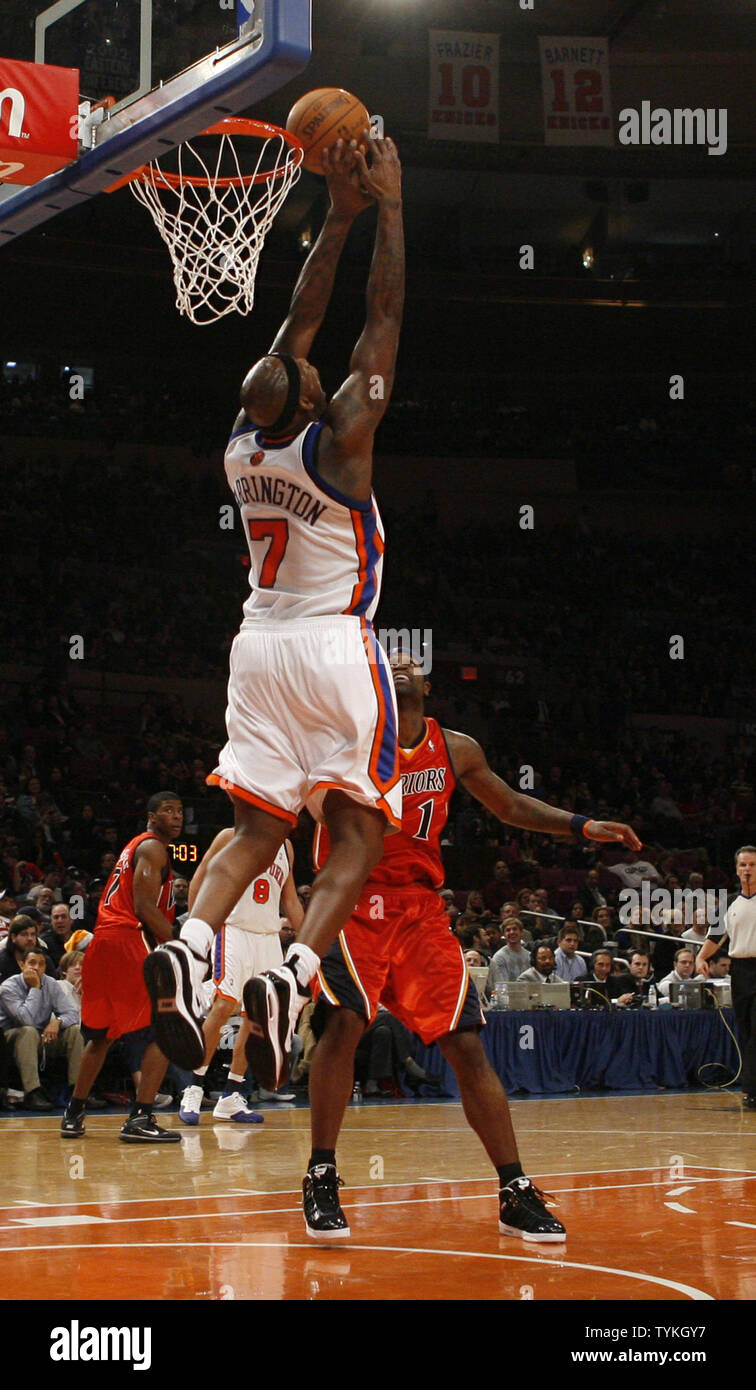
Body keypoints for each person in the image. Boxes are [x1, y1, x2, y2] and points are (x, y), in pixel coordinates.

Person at [144, 136, 406, 1093]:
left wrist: (337, 212)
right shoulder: (340, 450)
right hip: (332, 647)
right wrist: (393, 207)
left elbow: (299, 322)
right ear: (310, 397)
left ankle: (193, 943)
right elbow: (379, 317)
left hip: (254, 646)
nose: (310, 360)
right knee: (358, 835)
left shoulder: (242, 448)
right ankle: (295, 973)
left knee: (255, 831)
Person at [302, 649, 641, 1241]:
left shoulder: (457, 748)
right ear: (375, 679)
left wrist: (580, 824)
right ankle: (322, 1175)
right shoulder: (348, 736)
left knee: (466, 1045)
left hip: (420, 912)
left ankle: (513, 1190)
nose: (400, 664)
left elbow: (509, 806)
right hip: (352, 902)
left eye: (411, 661)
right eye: (388, 660)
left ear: (428, 686)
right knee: (344, 1027)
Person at [60, 792, 184, 1143]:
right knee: (166, 1027)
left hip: (103, 942)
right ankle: (141, 1117)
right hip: (130, 942)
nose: (175, 817)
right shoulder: (153, 847)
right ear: (150, 815)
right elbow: (145, 908)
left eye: (178, 811)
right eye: (167, 810)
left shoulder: (132, 848)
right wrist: (181, 944)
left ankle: (73, 1112)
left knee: (103, 1034)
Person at [177, 830, 303, 1125]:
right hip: (232, 929)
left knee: (257, 1018)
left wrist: (311, 942)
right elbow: (200, 879)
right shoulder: (229, 836)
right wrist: (198, 930)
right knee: (223, 1005)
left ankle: (232, 1095)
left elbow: (291, 900)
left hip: (268, 936)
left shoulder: (286, 846)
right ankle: (194, 1086)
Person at [690, 846, 756, 1109]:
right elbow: (715, 937)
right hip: (740, 970)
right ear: (737, 868)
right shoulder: (728, 902)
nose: (747, 870)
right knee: (747, 1031)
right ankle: (751, 1088)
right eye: (743, 865)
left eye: (752, 865)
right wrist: (700, 958)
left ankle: (751, 1090)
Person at [0, 947, 83, 1110]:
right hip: (10, 1040)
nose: (37, 968)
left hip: (42, 1038)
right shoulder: (8, 987)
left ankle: (78, 1092)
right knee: (29, 1032)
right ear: (21, 964)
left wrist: (57, 1021)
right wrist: (35, 988)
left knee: (74, 1031)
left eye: (41, 964)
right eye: (32, 963)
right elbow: (26, 1019)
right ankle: (32, 1092)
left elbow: (72, 1014)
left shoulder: (51, 983)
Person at [488, 918, 532, 986]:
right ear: (504, 935)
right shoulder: (499, 957)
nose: (512, 932)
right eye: (508, 930)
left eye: (515, 929)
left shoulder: (529, 955)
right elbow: (502, 983)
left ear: (521, 932)